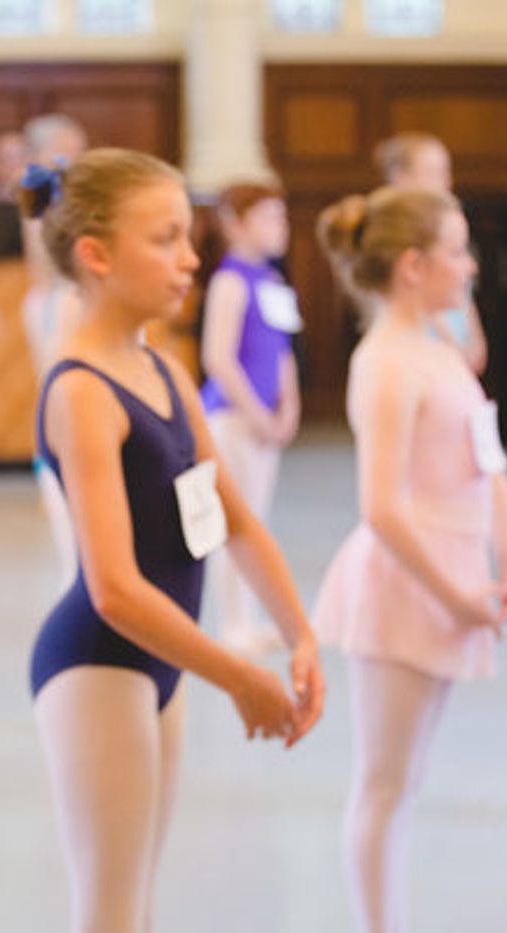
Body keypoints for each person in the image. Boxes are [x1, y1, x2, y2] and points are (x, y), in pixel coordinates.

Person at [21, 148, 325, 933]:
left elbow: (237, 520)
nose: (191, 257)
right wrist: (239, 677)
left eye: (188, 236)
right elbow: (114, 586)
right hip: (99, 662)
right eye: (165, 238)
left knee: (140, 906)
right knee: (111, 914)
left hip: (164, 659)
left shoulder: (166, 371)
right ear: (96, 254)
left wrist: (300, 634)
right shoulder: (83, 391)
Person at [315, 185, 507, 932]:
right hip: (407, 584)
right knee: (384, 781)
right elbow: (381, 507)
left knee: (407, 779)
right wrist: (455, 595)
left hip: (454, 574)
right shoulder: (384, 363)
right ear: (413, 265)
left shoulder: (438, 349)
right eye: (457, 249)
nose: (470, 263)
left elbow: (486, 456)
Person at [198, 181, 301, 656]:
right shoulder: (230, 281)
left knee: (256, 522)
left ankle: (250, 617)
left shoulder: (273, 283)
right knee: (234, 525)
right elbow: (218, 358)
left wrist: (289, 406)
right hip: (233, 418)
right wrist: (257, 414)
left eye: (281, 216)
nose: (280, 226)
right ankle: (233, 623)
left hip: (265, 419)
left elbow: (282, 353)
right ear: (236, 224)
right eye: (268, 217)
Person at [20, 113, 89, 584]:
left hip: (69, 297)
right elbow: (44, 260)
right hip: (52, 299)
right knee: (57, 397)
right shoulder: (41, 195)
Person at [374, 131, 488, 374]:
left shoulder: (450, 231)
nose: (445, 182)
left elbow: (465, 298)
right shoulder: (393, 238)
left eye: (446, 172)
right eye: (433, 172)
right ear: (401, 177)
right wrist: (455, 350)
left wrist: (473, 348)